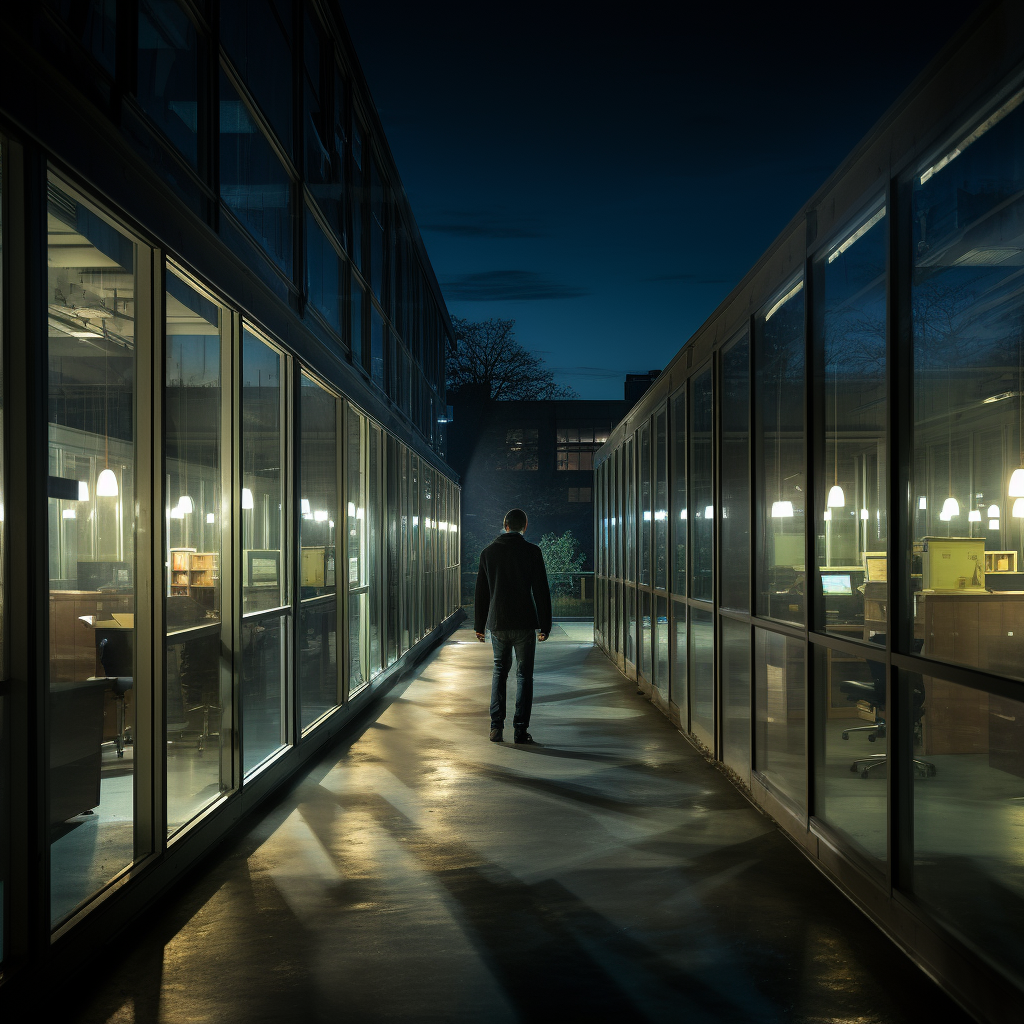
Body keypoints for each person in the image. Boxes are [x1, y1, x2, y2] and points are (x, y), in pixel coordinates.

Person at [474, 508, 552, 744]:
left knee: (499, 672)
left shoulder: (488, 553)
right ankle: (520, 730)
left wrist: (480, 625)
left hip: (498, 623)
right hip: (524, 623)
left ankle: (496, 727)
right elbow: (541, 591)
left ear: (505, 525)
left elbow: (482, 592)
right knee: (524, 676)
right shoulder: (532, 552)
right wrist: (545, 625)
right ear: (524, 526)